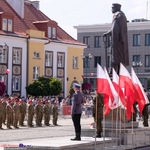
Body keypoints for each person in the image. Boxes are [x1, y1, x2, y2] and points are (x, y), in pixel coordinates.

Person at [103, 3, 129, 73]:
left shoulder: (120, 15)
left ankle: (115, 72)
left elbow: (121, 28)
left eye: (112, 8)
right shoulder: (117, 15)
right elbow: (114, 28)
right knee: (114, 56)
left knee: (118, 57)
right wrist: (108, 33)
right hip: (115, 40)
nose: (111, 9)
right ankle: (113, 71)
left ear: (117, 8)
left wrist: (121, 39)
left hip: (119, 41)